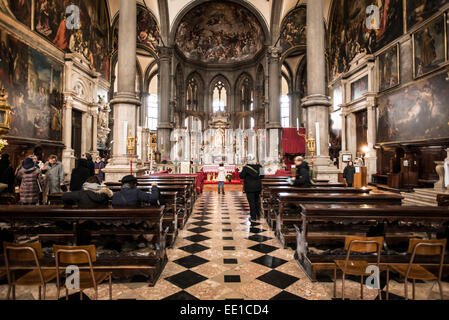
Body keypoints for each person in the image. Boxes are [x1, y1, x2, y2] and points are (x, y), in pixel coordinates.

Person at [239, 155, 264, 221]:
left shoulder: (246, 167)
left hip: (249, 187)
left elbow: (241, 176)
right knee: (257, 201)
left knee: (251, 202)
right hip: (257, 187)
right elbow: (262, 176)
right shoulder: (260, 166)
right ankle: (258, 215)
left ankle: (253, 217)